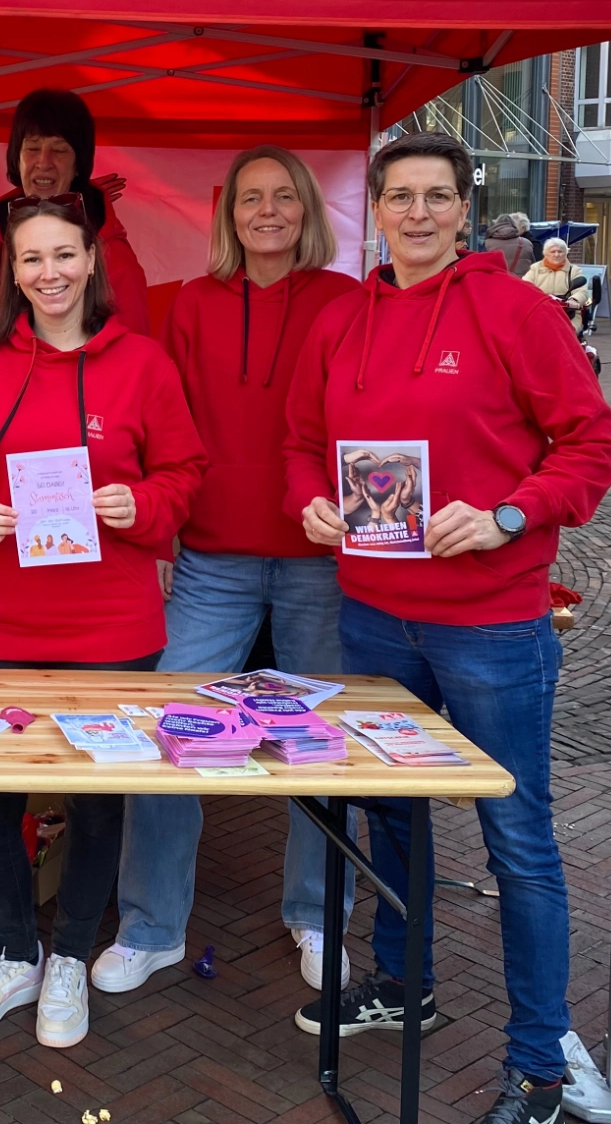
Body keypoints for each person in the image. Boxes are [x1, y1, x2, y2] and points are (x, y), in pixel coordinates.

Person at [284, 128, 611, 1124]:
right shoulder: (345, 320)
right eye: (401, 196)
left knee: (517, 839)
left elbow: (589, 443)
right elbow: (306, 444)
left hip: (492, 626)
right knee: (391, 814)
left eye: (438, 195)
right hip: (375, 615)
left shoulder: (515, 310)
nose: (419, 213)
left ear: (463, 209)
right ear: (376, 209)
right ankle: (403, 980)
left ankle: (538, 1065)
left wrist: (510, 513)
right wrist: (311, 502)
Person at [0, 194, 204, 1048]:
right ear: (11, 271)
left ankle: (68, 958)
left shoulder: (144, 365)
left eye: (63, 254)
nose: (48, 273)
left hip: (110, 627)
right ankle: (15, 950)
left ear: (92, 260)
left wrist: (144, 500)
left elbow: (185, 474)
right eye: (30, 258)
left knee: (95, 801)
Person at [104, 147, 361, 998]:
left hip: (319, 558)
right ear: (229, 214)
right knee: (171, 730)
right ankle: (151, 924)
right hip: (211, 555)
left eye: (284, 196)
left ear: (306, 211)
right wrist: (164, 530)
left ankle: (319, 915)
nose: (268, 211)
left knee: (318, 748)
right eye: (251, 198)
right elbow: (165, 433)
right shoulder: (191, 306)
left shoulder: (344, 300)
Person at [0, 89, 149, 338]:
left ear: (79, 164)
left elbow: (133, 365)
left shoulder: (113, 256)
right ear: (17, 156)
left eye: (59, 150)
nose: (44, 162)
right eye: (32, 148)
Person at [521, 238, 590, 329]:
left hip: (568, 314)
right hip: (541, 312)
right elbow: (525, 287)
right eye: (553, 252)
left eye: (560, 251)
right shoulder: (535, 269)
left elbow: (582, 291)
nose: (556, 255)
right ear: (546, 253)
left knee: (566, 332)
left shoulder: (574, 270)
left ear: (565, 253)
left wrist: (574, 300)